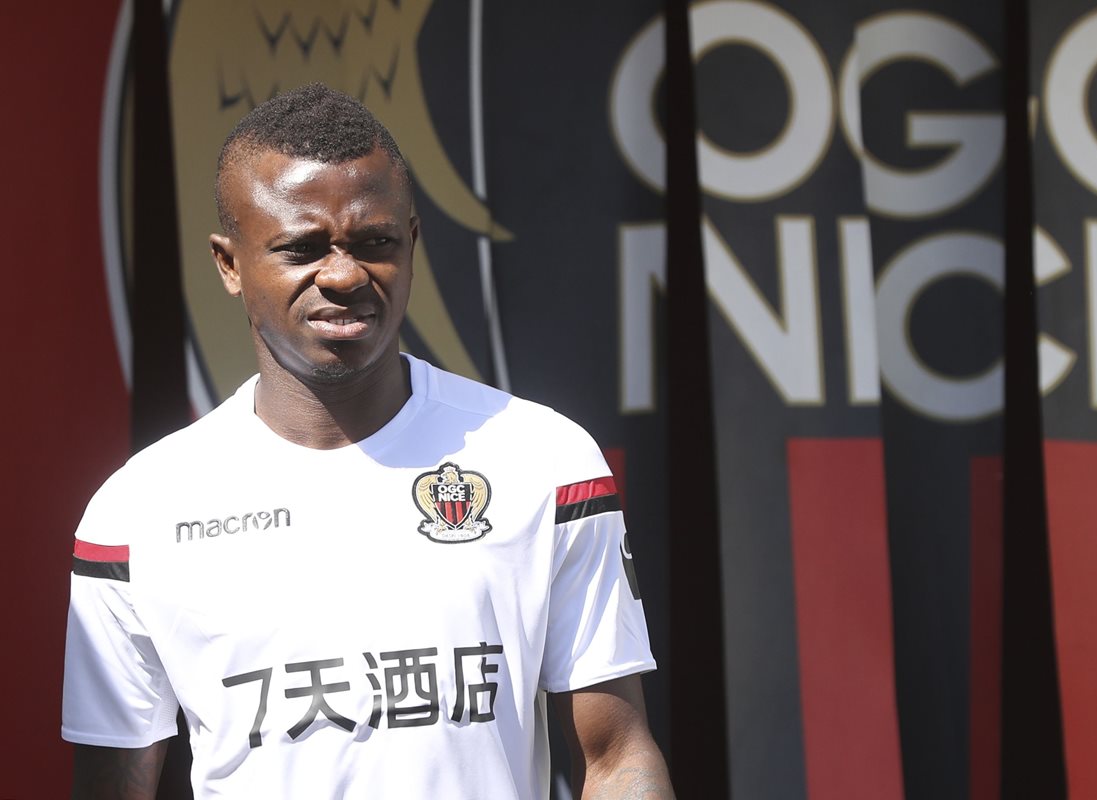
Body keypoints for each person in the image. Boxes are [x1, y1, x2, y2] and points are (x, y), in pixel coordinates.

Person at [63, 83, 673, 799]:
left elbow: (617, 757)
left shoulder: (542, 460)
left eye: (374, 242)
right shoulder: (137, 515)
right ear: (230, 265)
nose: (344, 274)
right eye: (301, 248)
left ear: (411, 243)